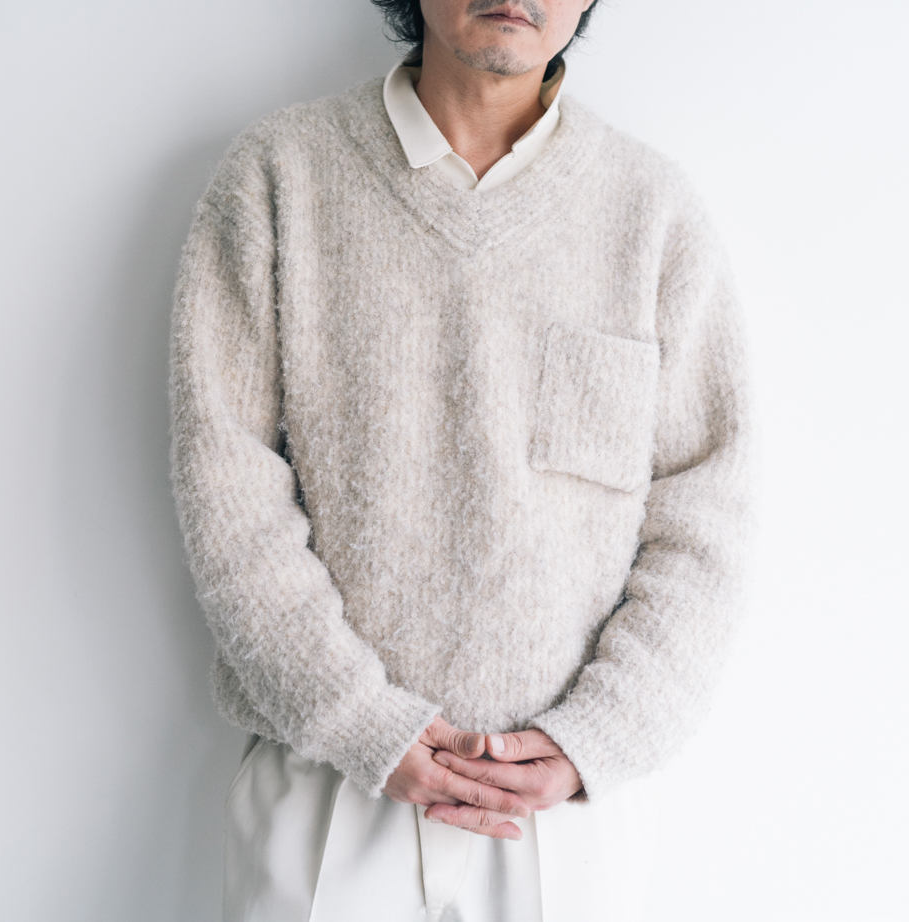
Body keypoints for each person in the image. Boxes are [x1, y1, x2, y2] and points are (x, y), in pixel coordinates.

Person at [168, 0, 753, 918]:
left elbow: (706, 514)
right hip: (328, 787)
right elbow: (225, 481)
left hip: (562, 813)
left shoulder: (652, 211)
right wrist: (354, 718)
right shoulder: (280, 174)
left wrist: (601, 734)